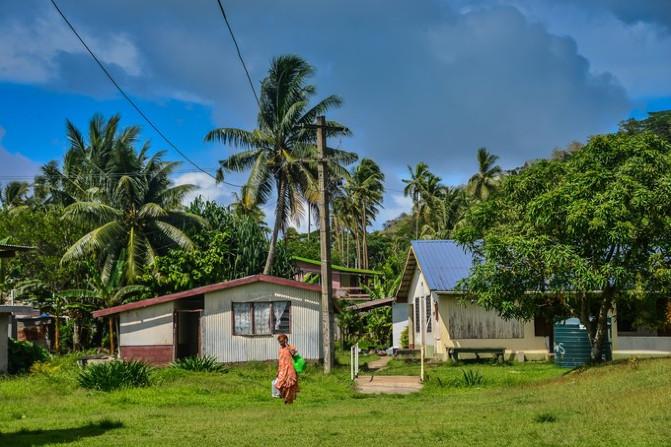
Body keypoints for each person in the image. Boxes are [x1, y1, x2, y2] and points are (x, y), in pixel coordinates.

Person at [275, 334, 299, 404]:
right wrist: (278, 371)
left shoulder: (290, 347)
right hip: (282, 370)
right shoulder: (280, 350)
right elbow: (279, 361)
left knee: (290, 385)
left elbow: (294, 353)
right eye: (279, 341)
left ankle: (288, 400)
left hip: (290, 369)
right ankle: (285, 397)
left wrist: (287, 345)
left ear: (285, 340)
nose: (280, 343)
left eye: (282, 341)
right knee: (281, 384)